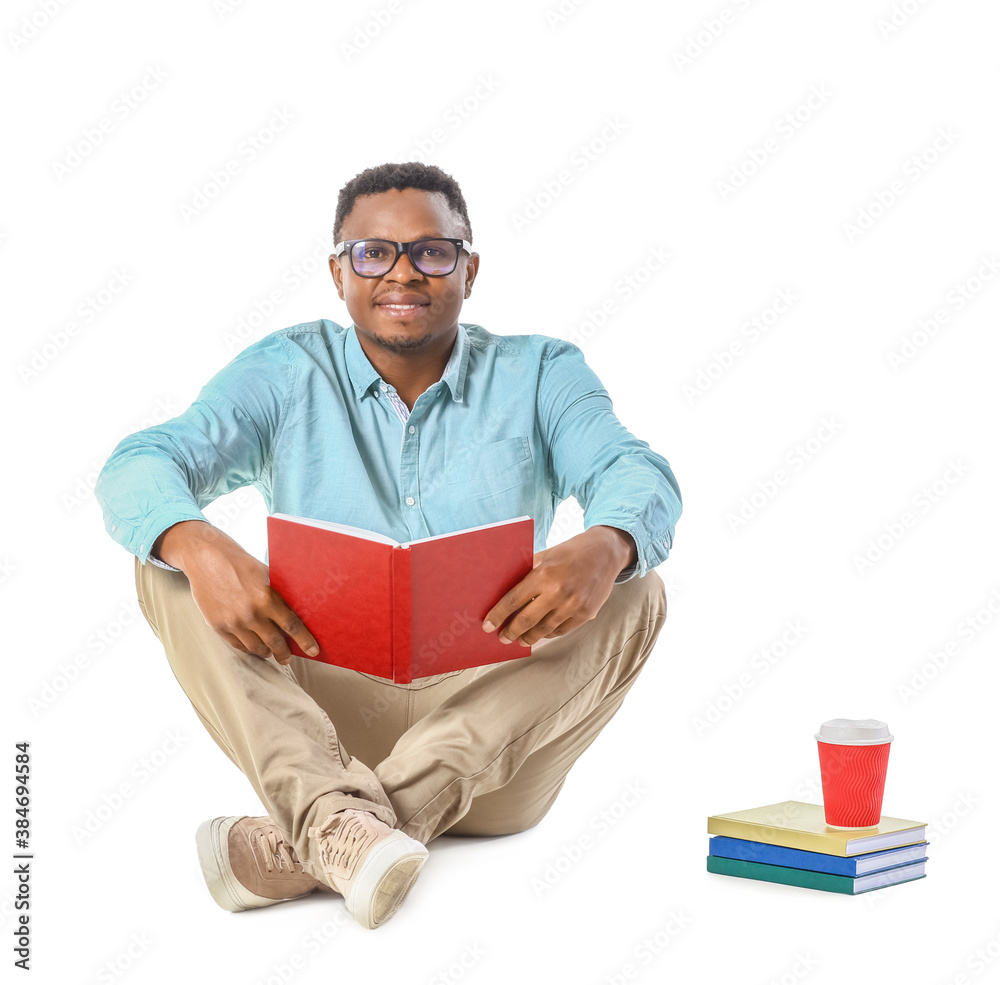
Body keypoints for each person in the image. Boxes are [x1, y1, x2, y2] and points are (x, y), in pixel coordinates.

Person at [95, 161, 682, 930]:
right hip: (316, 726)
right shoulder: (285, 369)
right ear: (338, 272)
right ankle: (337, 821)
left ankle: (323, 831)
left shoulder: (541, 370)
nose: (403, 272)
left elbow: (633, 470)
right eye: (374, 253)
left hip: (492, 743)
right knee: (163, 563)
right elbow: (140, 463)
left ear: (470, 269)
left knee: (639, 585)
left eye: (432, 251)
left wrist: (606, 542)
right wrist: (196, 541)